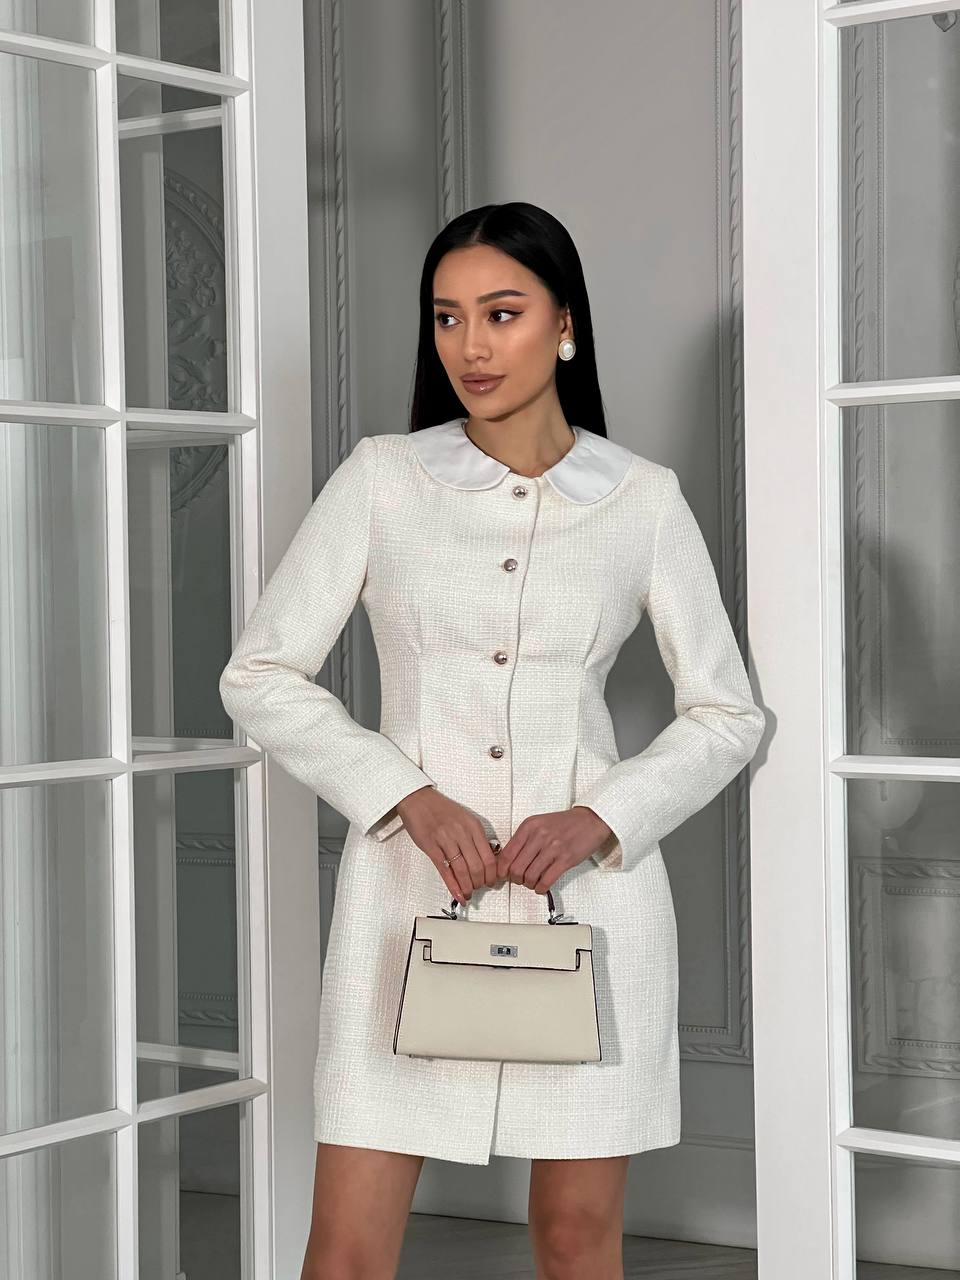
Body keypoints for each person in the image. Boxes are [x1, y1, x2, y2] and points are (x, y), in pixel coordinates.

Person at [219, 201, 765, 1280]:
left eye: (502, 313)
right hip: (407, 902)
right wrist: (405, 792)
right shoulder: (383, 478)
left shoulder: (642, 500)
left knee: (573, 1242)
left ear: (565, 325)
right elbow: (261, 672)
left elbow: (727, 710)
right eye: (448, 317)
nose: (471, 345)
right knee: (346, 1253)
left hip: (590, 910)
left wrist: (606, 814)